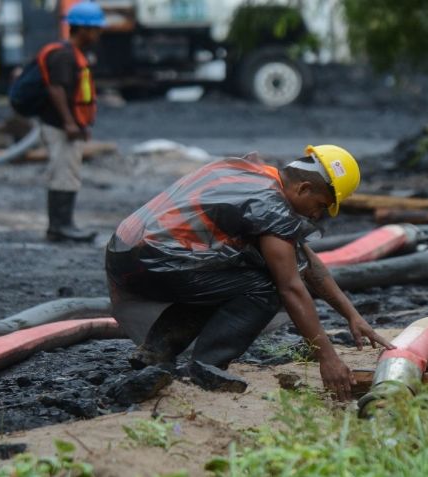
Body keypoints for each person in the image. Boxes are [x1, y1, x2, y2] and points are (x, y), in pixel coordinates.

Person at [105, 145, 395, 401]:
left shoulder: (259, 178)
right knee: (265, 284)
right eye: (320, 206)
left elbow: (308, 263)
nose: (317, 215)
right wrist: (327, 358)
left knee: (232, 278)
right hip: (157, 260)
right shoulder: (271, 207)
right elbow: (291, 287)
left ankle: (155, 352)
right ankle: (204, 368)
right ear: (303, 188)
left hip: (129, 252)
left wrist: (352, 315)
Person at [37, 1, 104, 242]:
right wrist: (69, 123)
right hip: (59, 126)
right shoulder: (65, 56)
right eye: (95, 28)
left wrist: (80, 124)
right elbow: (56, 90)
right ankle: (60, 227)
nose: (98, 33)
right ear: (83, 29)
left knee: (68, 173)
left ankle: (63, 225)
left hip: (68, 125)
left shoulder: (73, 54)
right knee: (63, 173)